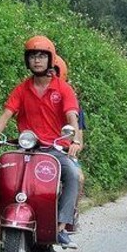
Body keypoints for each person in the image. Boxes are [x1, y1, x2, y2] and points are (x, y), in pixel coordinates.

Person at [0, 36, 82, 248]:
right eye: (32, 56)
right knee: (5, 177)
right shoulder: (21, 89)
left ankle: (61, 226)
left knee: (73, 175)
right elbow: (7, 113)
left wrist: (74, 138)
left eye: (41, 56)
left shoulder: (63, 89)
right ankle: (2, 222)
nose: (37, 60)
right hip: (25, 148)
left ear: (50, 59)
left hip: (54, 149)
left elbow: (72, 116)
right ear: (27, 61)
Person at [52, 54, 86, 190]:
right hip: (36, 152)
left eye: (53, 72)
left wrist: (73, 146)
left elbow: (79, 140)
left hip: (63, 152)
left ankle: (71, 210)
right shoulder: (32, 97)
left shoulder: (74, 106)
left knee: (79, 177)